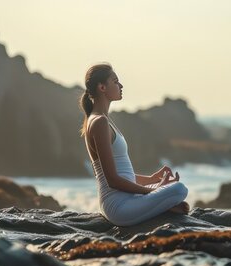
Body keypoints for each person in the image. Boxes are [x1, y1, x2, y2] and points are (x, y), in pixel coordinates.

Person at [79, 63, 190, 226]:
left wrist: (152, 179)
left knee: (173, 186)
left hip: (126, 199)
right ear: (102, 87)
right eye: (115, 82)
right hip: (118, 206)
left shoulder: (104, 120)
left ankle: (162, 205)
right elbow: (113, 180)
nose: (121, 85)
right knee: (179, 189)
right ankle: (163, 206)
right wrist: (152, 191)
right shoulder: (99, 122)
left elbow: (122, 174)